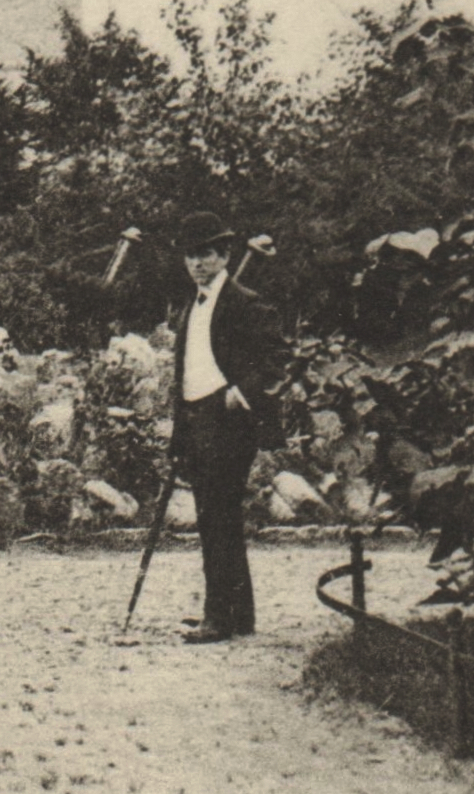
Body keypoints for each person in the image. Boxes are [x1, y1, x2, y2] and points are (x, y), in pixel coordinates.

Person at [170, 211, 284, 642]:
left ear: (224, 256)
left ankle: (218, 615)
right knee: (213, 517)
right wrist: (181, 426)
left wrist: (242, 392)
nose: (198, 264)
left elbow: (275, 359)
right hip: (196, 417)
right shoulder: (190, 305)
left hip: (229, 419)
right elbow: (185, 370)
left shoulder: (244, 301)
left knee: (219, 516)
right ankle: (236, 614)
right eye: (191, 256)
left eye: (207, 255)